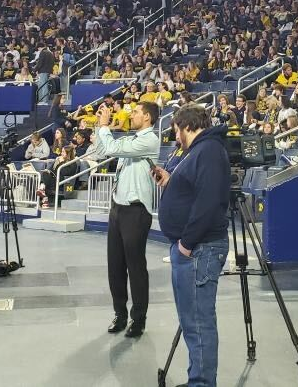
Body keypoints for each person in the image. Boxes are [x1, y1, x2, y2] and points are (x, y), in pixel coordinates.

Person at [154, 104, 231, 387]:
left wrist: (186, 244)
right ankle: (197, 379)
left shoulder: (209, 150)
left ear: (187, 125)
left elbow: (209, 201)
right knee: (192, 322)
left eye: (176, 130)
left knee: (198, 325)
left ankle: (201, 383)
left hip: (199, 250)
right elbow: (196, 189)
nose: (176, 137)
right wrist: (171, 182)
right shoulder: (199, 151)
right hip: (194, 249)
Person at [93, 101, 161, 338]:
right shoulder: (131, 140)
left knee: (136, 267)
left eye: (136, 112)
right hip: (118, 209)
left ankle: (138, 319)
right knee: (115, 266)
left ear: (148, 117)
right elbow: (103, 150)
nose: (132, 114)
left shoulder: (149, 139)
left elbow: (112, 147)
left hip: (136, 211)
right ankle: (119, 314)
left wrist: (104, 127)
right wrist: (98, 126)